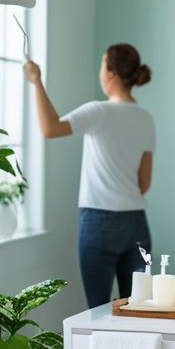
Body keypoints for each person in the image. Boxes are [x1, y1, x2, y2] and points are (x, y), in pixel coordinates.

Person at [23, 43, 154, 308]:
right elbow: (144, 184)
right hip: (136, 225)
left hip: (98, 222)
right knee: (138, 312)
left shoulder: (99, 111)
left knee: (98, 312)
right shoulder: (145, 119)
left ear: (110, 73)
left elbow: (50, 128)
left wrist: (36, 82)